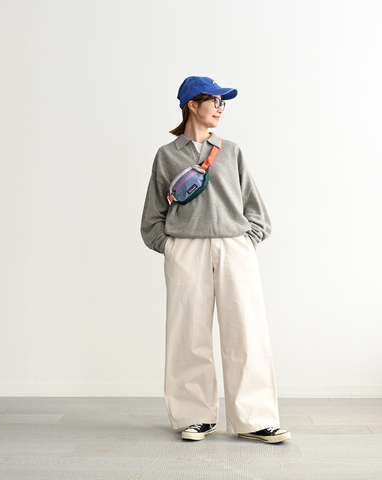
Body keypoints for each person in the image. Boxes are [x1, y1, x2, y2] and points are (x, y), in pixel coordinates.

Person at [140, 76, 290, 444]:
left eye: (224, 102)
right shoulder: (167, 155)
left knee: (247, 331)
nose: (221, 108)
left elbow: (255, 208)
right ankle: (194, 416)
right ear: (192, 104)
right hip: (186, 250)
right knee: (188, 334)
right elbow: (152, 216)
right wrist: (171, 247)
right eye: (215, 101)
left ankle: (255, 419)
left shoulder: (231, 151)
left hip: (234, 248)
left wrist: (246, 240)